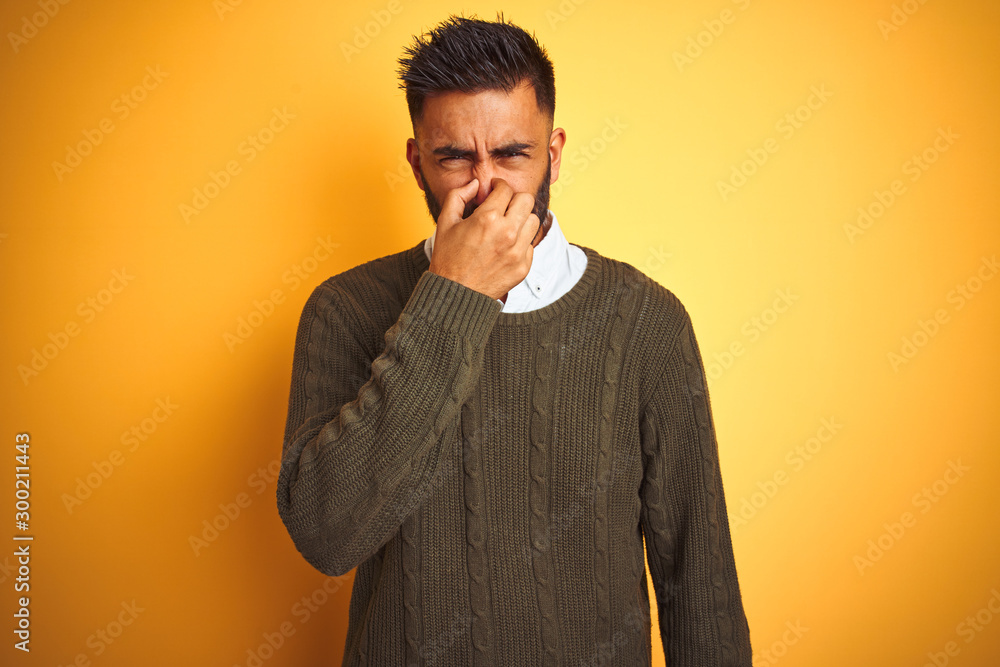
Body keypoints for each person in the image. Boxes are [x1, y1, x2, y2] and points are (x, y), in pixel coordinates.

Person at [276, 13, 753, 666]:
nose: (487, 184)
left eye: (512, 154)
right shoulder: (344, 309)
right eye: (454, 158)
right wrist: (455, 297)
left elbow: (698, 581)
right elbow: (326, 535)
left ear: (552, 154)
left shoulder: (647, 320)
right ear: (417, 163)